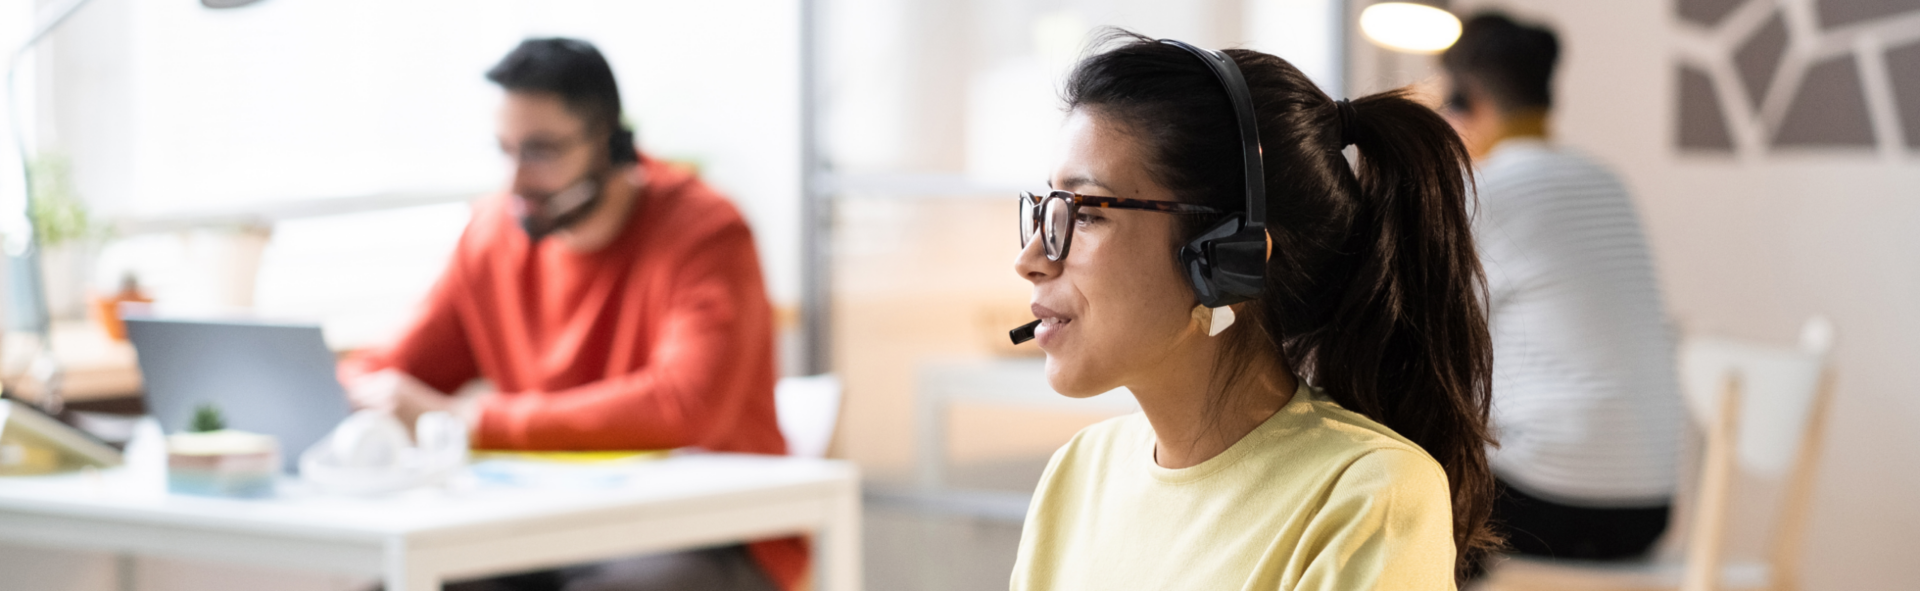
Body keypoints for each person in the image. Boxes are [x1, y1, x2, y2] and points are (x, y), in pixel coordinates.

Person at [1008, 31, 1498, 590]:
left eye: (1086, 213)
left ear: (1225, 260)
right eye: (1047, 208)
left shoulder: (1368, 495)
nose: (1031, 260)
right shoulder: (1079, 470)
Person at [340, 38, 800, 591]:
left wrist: (477, 421)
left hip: (707, 534)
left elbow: (685, 403)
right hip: (544, 529)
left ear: (609, 140)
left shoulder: (705, 232)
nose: (516, 180)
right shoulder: (491, 235)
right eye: (504, 150)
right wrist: (368, 390)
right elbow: (395, 368)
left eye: (540, 151)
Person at [1441, 13, 1682, 564]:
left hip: (1548, 502)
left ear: (1466, 99)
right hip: (1648, 511)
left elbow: (1432, 339)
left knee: (1403, 483)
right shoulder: (1607, 183)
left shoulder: (1486, 192)